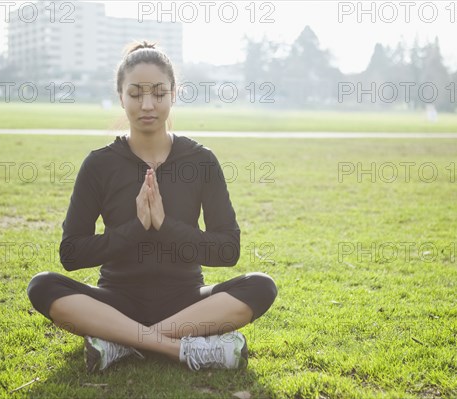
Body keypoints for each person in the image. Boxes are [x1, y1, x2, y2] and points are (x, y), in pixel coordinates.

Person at [26, 41, 278, 373]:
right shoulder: (99, 165)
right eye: (135, 94)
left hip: (187, 303)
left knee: (261, 286)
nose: (148, 104)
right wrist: (136, 228)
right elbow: (72, 253)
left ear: (174, 94)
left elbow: (227, 251)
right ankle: (181, 350)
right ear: (121, 96)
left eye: (159, 93)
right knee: (42, 286)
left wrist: (164, 225)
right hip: (116, 303)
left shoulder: (200, 160)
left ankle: (122, 342)